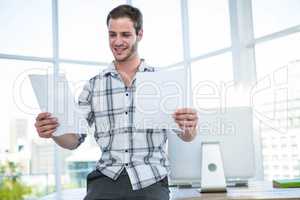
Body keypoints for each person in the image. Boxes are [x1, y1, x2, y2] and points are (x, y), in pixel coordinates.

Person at [34, 4, 198, 200]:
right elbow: (73, 140)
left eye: (125, 35)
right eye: (112, 35)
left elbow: (186, 135)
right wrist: (54, 132)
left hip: (150, 180)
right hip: (106, 179)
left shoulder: (163, 81)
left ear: (140, 34)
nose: (118, 41)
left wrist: (189, 127)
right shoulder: (94, 85)